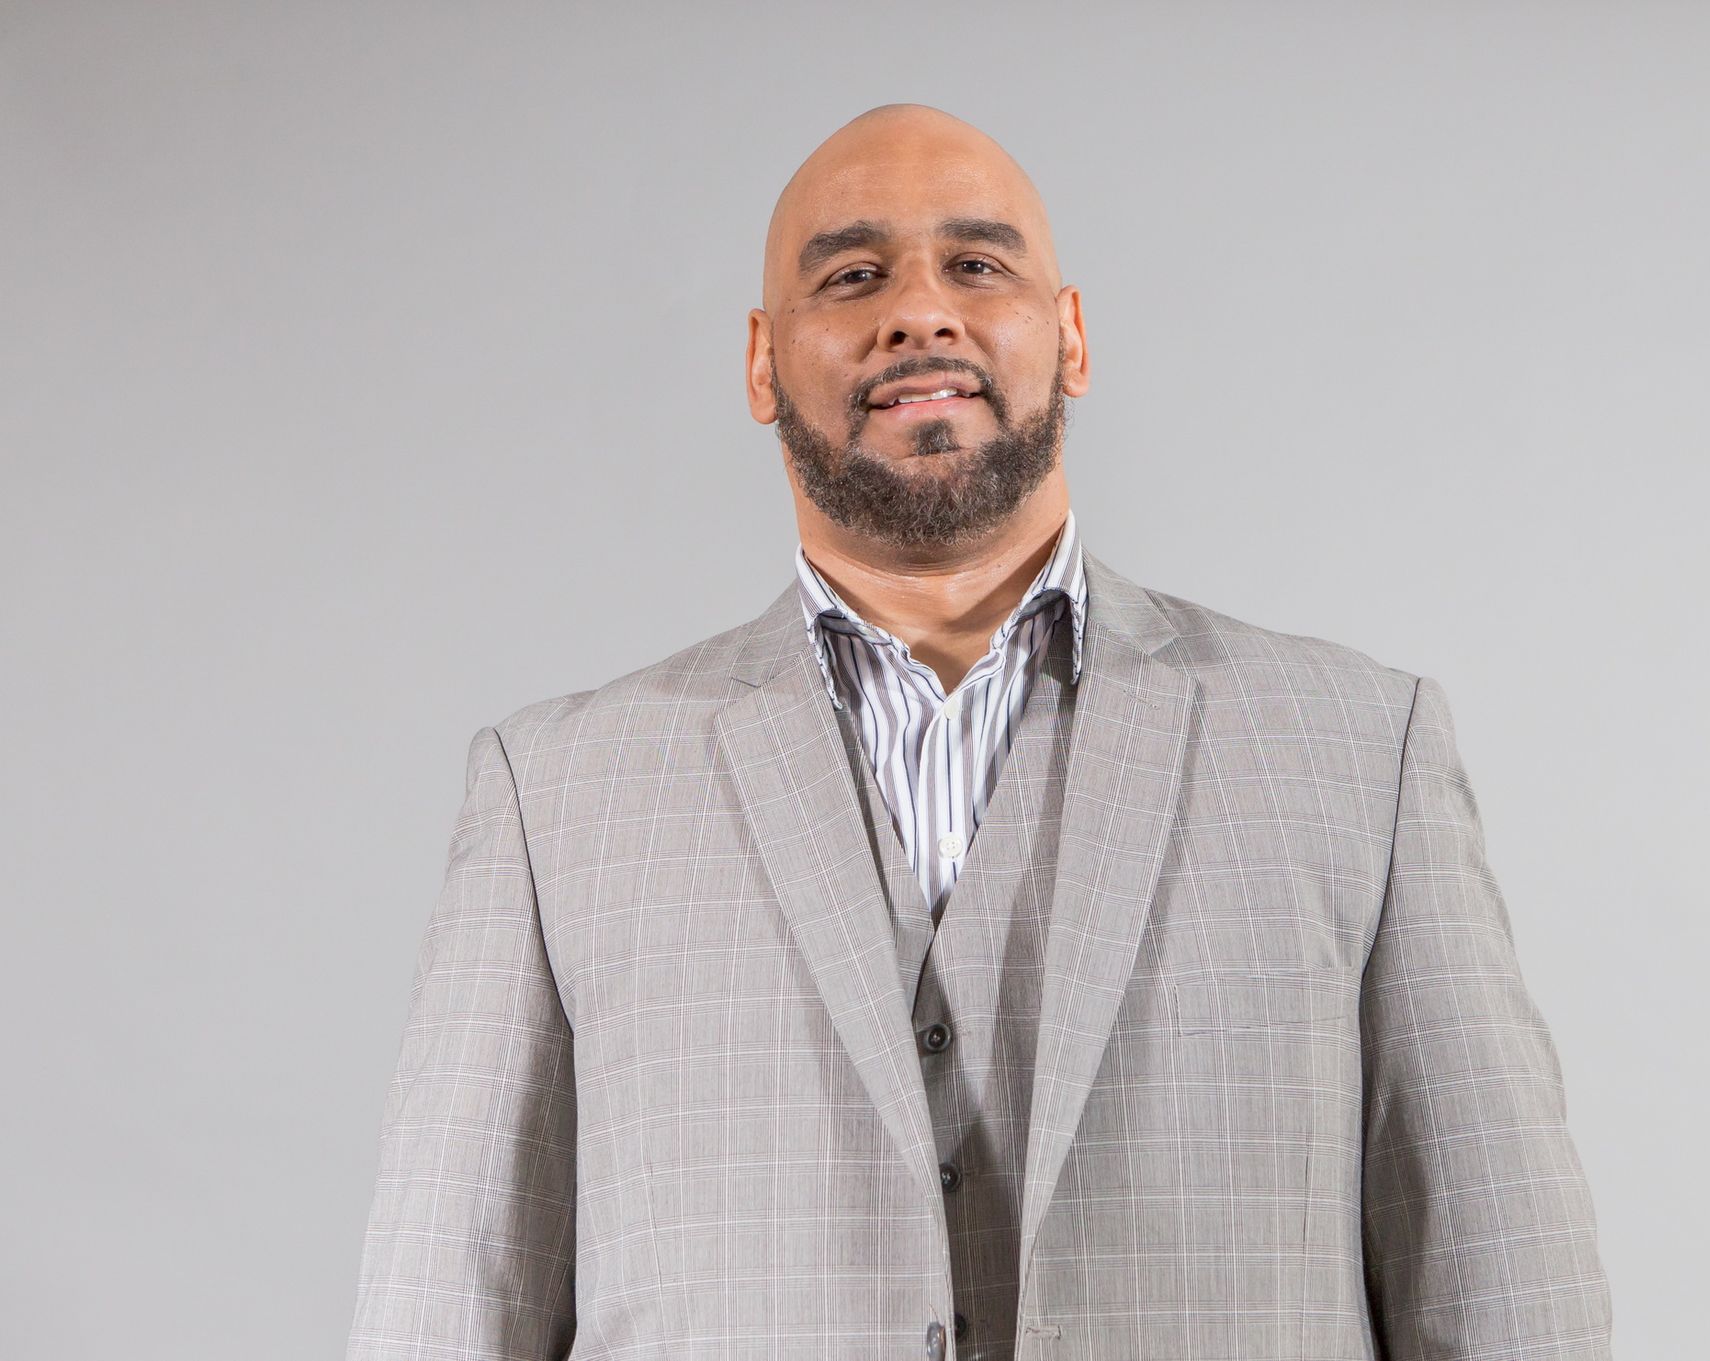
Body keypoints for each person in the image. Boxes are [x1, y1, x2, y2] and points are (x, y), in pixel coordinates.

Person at [346, 103, 1612, 1361]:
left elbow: (1508, 1288)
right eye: (851, 277)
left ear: (1068, 334)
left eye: (978, 264)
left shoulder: (1356, 749)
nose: (918, 312)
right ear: (759, 361)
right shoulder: (558, 793)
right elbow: (443, 1309)